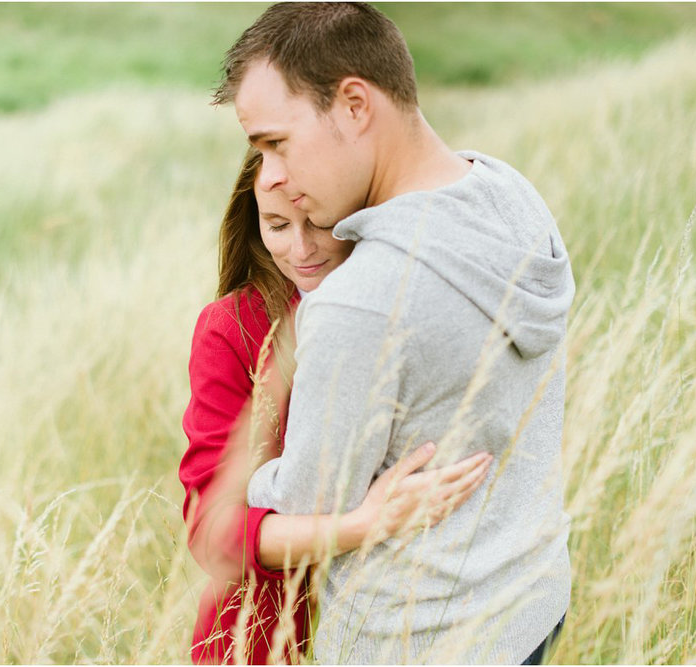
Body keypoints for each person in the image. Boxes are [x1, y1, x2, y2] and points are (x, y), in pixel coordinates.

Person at [212, 3, 575, 664]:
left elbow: (307, 501)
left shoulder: (362, 299)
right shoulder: (510, 193)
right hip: (530, 599)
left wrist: (250, 483)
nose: (271, 176)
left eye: (275, 142)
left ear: (354, 104)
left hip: (416, 640)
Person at [180, 148, 494, 664]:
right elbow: (210, 531)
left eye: (321, 223)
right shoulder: (233, 328)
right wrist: (359, 526)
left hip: (402, 629)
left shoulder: (410, 298)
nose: (301, 249)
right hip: (261, 641)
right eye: (277, 224)